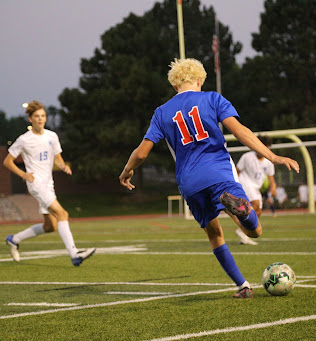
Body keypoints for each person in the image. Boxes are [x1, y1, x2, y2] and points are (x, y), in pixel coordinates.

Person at [119, 58, 299, 299]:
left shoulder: (161, 112)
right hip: (218, 174)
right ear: (199, 80)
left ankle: (242, 286)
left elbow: (141, 152)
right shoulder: (212, 98)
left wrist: (127, 170)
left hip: (190, 184)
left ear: (175, 86)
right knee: (254, 231)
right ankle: (243, 212)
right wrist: (272, 156)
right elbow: (240, 131)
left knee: (214, 234)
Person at [3, 100, 95, 266]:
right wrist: (24, 174)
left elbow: (58, 159)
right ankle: (74, 254)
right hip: (36, 184)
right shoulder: (24, 140)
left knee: (50, 226)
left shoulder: (52, 136)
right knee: (62, 214)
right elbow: (7, 162)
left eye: (43, 116)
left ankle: (14, 239)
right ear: (30, 119)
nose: (40, 119)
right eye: (37, 116)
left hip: (48, 184)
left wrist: (64, 166)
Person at [235, 135, 276, 245]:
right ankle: (243, 229)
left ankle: (243, 231)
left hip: (256, 187)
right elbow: (237, 170)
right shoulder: (247, 156)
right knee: (255, 204)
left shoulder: (269, 161)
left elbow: (271, 176)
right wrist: (234, 185)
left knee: (258, 211)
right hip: (245, 182)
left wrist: (273, 186)